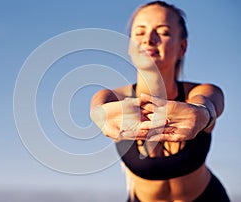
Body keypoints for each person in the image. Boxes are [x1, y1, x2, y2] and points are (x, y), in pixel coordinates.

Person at [90, 1, 230, 202]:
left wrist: (202, 114)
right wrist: (100, 115)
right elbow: (98, 106)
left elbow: (211, 102)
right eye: (139, 33)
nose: (148, 39)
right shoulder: (116, 99)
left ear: (182, 47)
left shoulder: (198, 93)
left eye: (163, 32)